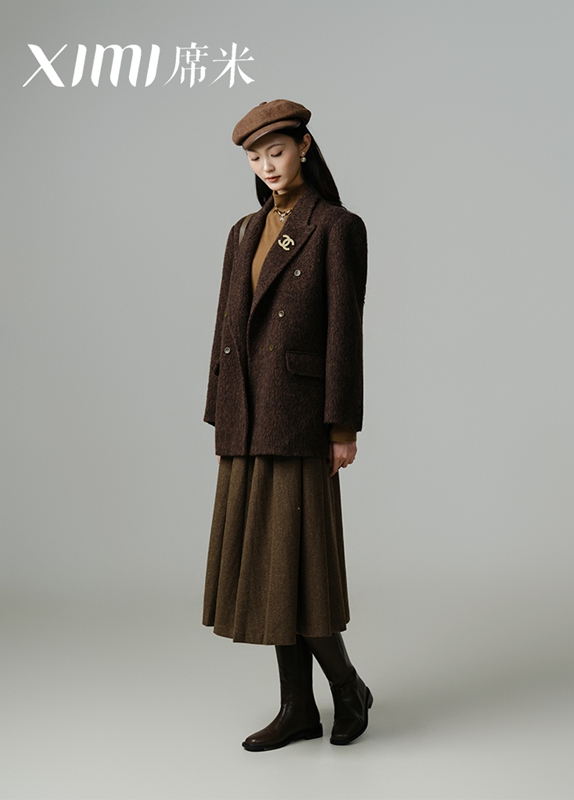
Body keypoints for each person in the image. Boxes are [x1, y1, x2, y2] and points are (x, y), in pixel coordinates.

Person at [202, 98, 371, 751]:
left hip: (299, 418)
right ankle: (298, 708)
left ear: (303, 146)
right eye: (255, 157)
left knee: (300, 566)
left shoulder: (336, 226)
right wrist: (221, 409)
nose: (268, 166)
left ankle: (347, 688)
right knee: (274, 571)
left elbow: (343, 333)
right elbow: (226, 324)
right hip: (247, 416)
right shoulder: (243, 230)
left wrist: (341, 426)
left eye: (277, 151)